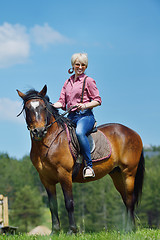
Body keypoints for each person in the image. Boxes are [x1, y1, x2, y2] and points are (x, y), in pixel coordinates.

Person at [53, 53, 102, 178]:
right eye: (77, 64)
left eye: (83, 65)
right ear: (73, 65)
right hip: (71, 117)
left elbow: (98, 100)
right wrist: (51, 106)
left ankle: (88, 166)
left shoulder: (88, 81)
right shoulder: (67, 82)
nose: (80, 67)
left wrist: (85, 105)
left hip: (85, 116)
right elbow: (61, 102)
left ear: (85, 67)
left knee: (79, 132)